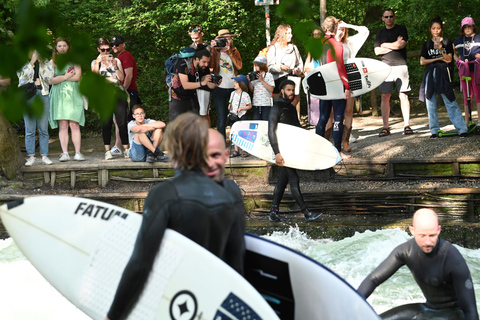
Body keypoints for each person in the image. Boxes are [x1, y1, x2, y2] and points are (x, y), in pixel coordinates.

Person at [105, 112, 246, 320]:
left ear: (174, 149)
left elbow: (141, 264)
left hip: (175, 303)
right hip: (215, 302)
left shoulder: (164, 195)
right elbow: (237, 258)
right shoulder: (231, 192)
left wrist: (113, 316)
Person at [358, 208, 479, 320]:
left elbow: (470, 310)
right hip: (428, 308)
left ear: (439, 230)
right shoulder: (405, 251)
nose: (427, 241)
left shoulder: (452, 257)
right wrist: (353, 303)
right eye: (422, 235)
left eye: (432, 235)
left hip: (454, 314)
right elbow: (373, 279)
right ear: (412, 231)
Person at [268, 80, 322, 223]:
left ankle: (273, 211)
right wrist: (277, 153)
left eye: (293, 90)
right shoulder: (276, 108)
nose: (292, 93)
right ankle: (306, 213)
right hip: (283, 151)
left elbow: (298, 130)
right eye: (289, 90)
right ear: (282, 91)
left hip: (292, 149)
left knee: (282, 181)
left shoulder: (291, 108)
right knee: (294, 179)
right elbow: (271, 132)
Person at [420, 17, 468, 139]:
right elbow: (422, 61)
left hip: (443, 73)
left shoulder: (446, 41)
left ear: (441, 29)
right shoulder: (426, 44)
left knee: (450, 100)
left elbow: (449, 59)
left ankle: (462, 129)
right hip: (430, 74)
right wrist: (436, 59)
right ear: (430, 29)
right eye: (433, 28)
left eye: (438, 28)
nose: (436, 30)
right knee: (430, 102)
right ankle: (434, 131)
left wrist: (440, 49)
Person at [315, 16, 352, 160]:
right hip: (336, 84)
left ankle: (318, 151)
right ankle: (337, 152)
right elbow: (340, 67)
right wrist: (347, 86)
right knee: (337, 118)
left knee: (323, 118)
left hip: (322, 84)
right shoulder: (336, 44)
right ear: (335, 28)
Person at [375, 9, 413, 137]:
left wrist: (385, 45)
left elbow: (401, 45)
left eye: (391, 16)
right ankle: (385, 127)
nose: (389, 18)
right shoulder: (380, 33)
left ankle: (406, 125)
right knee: (385, 96)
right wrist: (393, 44)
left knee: (403, 95)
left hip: (400, 65)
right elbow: (377, 51)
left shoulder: (402, 29)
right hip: (384, 67)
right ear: (383, 18)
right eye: (386, 16)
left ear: (394, 17)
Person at [91, 38, 130, 160]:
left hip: (117, 92)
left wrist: (115, 67)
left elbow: (122, 77)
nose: (106, 52)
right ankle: (107, 150)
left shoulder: (116, 60)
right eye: (103, 50)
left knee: (122, 122)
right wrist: (98, 63)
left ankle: (126, 149)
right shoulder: (94, 62)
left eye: (108, 49)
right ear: (98, 49)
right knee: (106, 123)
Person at [49, 37, 85, 162]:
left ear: (68, 47)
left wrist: (60, 78)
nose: (62, 48)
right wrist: (65, 76)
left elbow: (77, 76)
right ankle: (65, 153)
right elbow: (49, 80)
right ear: (56, 48)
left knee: (74, 124)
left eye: (64, 45)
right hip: (58, 95)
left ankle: (78, 153)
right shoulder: (52, 62)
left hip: (74, 93)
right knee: (63, 125)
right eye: (59, 46)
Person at [335, 20, 370, 152]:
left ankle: (346, 140)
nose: (341, 31)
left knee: (349, 111)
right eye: (339, 28)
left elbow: (365, 30)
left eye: (343, 29)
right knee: (334, 112)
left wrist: (348, 25)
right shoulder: (330, 43)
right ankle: (333, 141)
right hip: (335, 79)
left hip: (351, 77)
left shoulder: (349, 42)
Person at [18, 51, 54, 166]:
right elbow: (22, 77)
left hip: (43, 94)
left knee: (43, 128)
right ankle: (31, 156)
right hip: (28, 96)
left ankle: (44, 155)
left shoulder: (46, 62)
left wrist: (42, 63)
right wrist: (32, 63)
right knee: (30, 129)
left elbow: (49, 77)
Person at [210, 29, 243, 139]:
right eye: (225, 39)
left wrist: (229, 52)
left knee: (236, 116)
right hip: (219, 88)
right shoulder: (215, 52)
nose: (227, 41)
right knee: (221, 117)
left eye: (229, 39)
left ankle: (237, 142)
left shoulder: (234, 51)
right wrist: (211, 47)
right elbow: (209, 66)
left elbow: (239, 67)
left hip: (234, 87)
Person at [110, 35, 140, 156]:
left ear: (123, 44)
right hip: (123, 91)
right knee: (119, 119)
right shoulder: (119, 57)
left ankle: (127, 146)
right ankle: (120, 146)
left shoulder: (126, 56)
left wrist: (123, 91)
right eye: (112, 45)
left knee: (126, 120)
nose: (114, 46)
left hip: (128, 91)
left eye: (117, 44)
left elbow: (129, 75)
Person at [267, 24, 304, 121]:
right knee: (280, 108)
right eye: (287, 33)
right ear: (282, 34)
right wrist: (281, 67)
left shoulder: (294, 48)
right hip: (279, 81)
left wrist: (297, 70)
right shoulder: (274, 48)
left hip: (293, 79)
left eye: (290, 33)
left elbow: (300, 64)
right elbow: (270, 67)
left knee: (293, 106)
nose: (290, 35)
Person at [169, 49, 217, 121]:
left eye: (208, 62)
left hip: (192, 96)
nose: (206, 64)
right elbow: (185, 85)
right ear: (197, 59)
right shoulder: (182, 64)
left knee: (194, 123)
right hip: (178, 98)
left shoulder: (203, 67)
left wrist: (215, 84)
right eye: (204, 62)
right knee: (177, 125)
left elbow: (207, 85)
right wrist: (202, 83)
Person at [453, 17, 480, 127]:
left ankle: (479, 120)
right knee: (467, 96)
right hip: (465, 70)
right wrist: (458, 61)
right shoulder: (459, 39)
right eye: (465, 27)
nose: (467, 29)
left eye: (469, 26)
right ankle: (467, 122)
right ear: (462, 29)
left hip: (476, 70)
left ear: (474, 27)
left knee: (478, 95)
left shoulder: (478, 37)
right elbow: (451, 50)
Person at [188, 25, 213, 126]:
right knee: (194, 112)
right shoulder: (190, 48)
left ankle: (208, 137)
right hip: (193, 82)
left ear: (202, 34)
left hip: (204, 82)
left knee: (204, 112)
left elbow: (211, 64)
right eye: (193, 38)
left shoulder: (209, 47)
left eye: (197, 38)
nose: (195, 40)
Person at [228, 74, 252, 158]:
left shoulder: (245, 95)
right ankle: (236, 150)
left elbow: (249, 106)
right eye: (234, 82)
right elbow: (230, 102)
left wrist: (242, 108)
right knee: (234, 132)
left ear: (242, 84)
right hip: (234, 115)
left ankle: (244, 149)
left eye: (236, 82)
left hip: (242, 115)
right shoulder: (232, 93)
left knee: (243, 132)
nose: (234, 83)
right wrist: (229, 105)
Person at [304, 28, 323, 127]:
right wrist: (306, 69)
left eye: (318, 34)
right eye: (314, 34)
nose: (316, 36)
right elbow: (306, 64)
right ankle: (317, 124)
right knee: (315, 102)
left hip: (323, 76)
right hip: (314, 77)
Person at [249, 55, 274, 121]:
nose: (255, 67)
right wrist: (249, 81)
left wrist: (262, 80)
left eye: (257, 65)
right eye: (255, 65)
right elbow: (252, 90)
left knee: (265, 122)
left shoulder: (269, 75)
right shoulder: (254, 75)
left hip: (266, 103)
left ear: (262, 65)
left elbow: (271, 89)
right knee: (256, 121)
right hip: (256, 103)